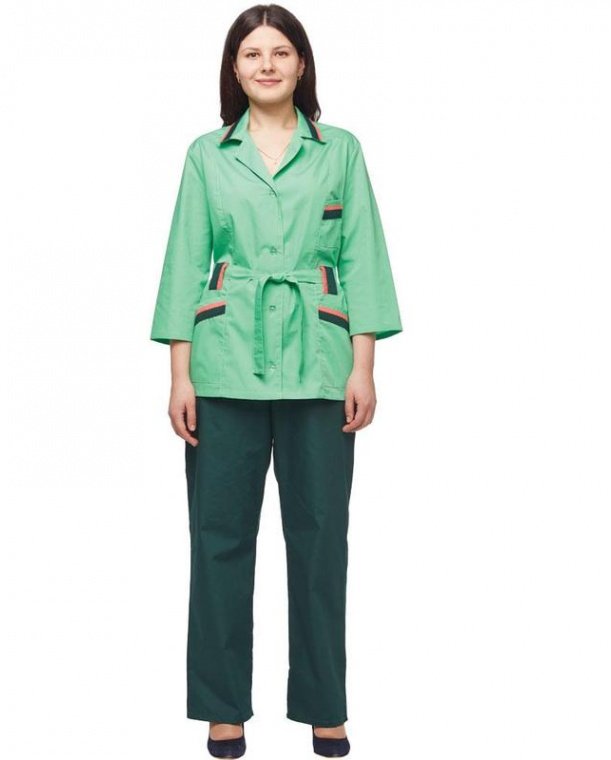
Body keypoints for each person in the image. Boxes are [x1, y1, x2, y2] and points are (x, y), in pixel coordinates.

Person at [149, 5, 403, 757]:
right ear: (234, 67)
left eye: (281, 52)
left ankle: (325, 704)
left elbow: (361, 256)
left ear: (302, 65)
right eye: (253, 53)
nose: (267, 64)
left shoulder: (340, 150)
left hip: (321, 366)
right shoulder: (207, 154)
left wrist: (363, 365)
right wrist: (180, 375)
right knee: (218, 539)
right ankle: (223, 706)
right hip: (222, 363)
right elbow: (185, 261)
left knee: (321, 543)